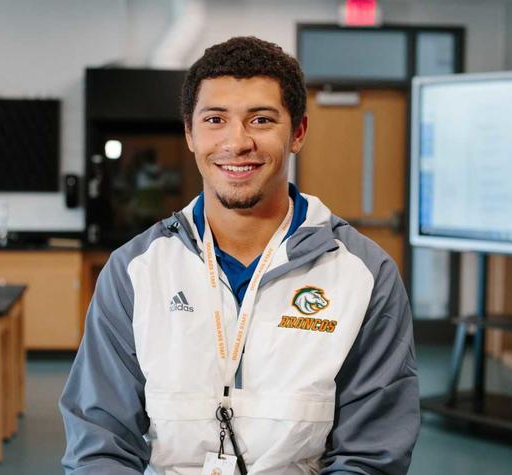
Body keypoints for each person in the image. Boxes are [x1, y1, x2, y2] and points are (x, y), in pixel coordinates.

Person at [60, 36, 420, 475]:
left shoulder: (364, 275)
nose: (237, 141)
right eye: (215, 119)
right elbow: (99, 443)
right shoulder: (135, 272)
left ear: (298, 132)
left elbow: (370, 457)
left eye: (262, 119)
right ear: (190, 133)